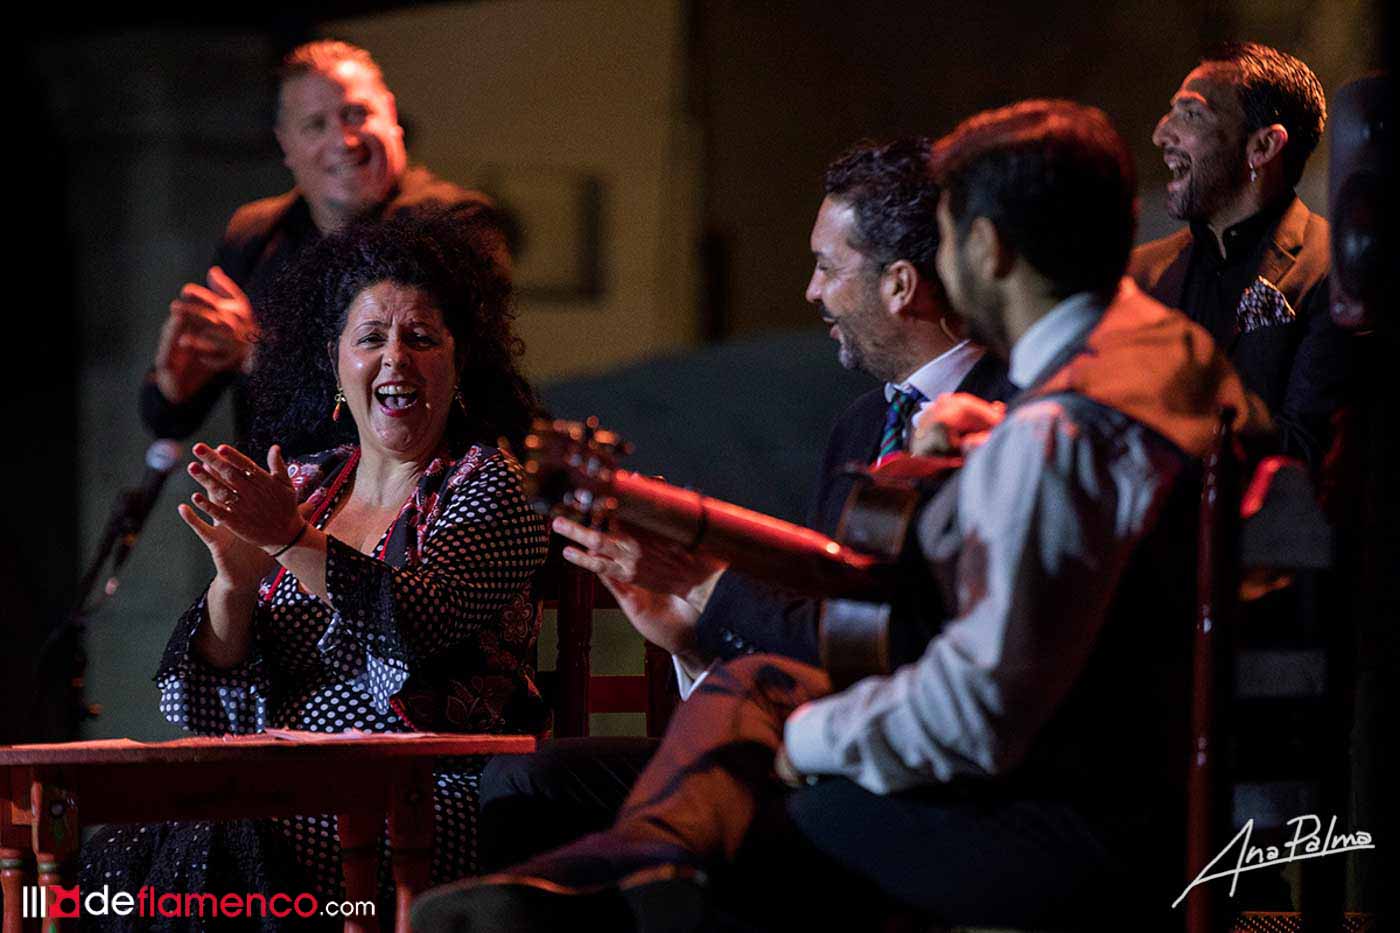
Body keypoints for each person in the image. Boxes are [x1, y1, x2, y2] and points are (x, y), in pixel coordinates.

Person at [415, 100, 1272, 932]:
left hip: (1079, 824)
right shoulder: (1170, 358)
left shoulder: (1057, 431)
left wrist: (808, 736)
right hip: (1147, 793)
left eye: (947, 236)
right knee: (749, 709)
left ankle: (619, 880)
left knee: (755, 829)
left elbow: (974, 710)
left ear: (988, 247)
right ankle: (631, 870)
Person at [477, 138, 1013, 870]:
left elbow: (882, 640)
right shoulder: (861, 424)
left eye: (827, 267)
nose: (811, 292)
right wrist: (688, 635)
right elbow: (831, 634)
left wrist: (710, 587)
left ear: (899, 284)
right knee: (531, 779)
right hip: (820, 725)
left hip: (914, 751)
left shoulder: (1012, 413)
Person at [82, 208, 548, 922]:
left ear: (461, 363)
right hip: (282, 787)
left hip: (422, 795)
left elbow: (417, 623)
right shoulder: (307, 483)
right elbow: (205, 708)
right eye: (371, 338)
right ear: (335, 362)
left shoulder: (489, 484)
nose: (395, 358)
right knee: (116, 852)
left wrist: (291, 542)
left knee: (218, 843)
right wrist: (235, 585)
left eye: (422, 338)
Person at [140, 39, 499, 457]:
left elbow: (435, 390)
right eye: (315, 125)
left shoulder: (453, 224)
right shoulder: (255, 234)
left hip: (418, 490)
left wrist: (258, 354)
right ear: (285, 145)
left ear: (391, 116)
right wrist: (175, 386)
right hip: (281, 492)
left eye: (356, 114)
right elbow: (168, 421)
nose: (343, 141)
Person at [1131, 41, 1349, 470]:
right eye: (1171, 112)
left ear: (1263, 146)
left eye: (1190, 114)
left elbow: (1305, 454)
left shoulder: (1331, 271)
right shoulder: (1138, 274)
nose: (1161, 134)